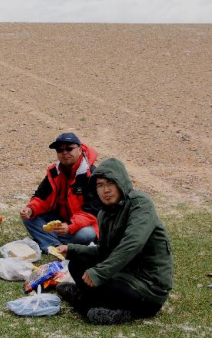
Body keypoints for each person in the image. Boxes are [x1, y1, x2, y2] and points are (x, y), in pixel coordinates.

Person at [55, 158, 173, 325]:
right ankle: (91, 302)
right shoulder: (104, 214)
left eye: (110, 183)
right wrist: (72, 249)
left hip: (148, 287)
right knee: (75, 263)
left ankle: (90, 304)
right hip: (123, 274)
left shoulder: (140, 204)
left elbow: (132, 244)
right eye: (100, 185)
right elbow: (104, 251)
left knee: (99, 288)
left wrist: (99, 273)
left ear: (121, 182)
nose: (106, 190)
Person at [19, 132, 100, 252]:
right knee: (29, 216)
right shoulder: (54, 171)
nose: (64, 153)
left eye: (69, 148)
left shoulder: (92, 175)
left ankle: (52, 241)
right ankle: (56, 247)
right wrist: (31, 209)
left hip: (86, 223)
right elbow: (42, 197)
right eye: (60, 150)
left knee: (85, 234)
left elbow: (93, 212)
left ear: (79, 149)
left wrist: (71, 226)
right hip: (62, 220)